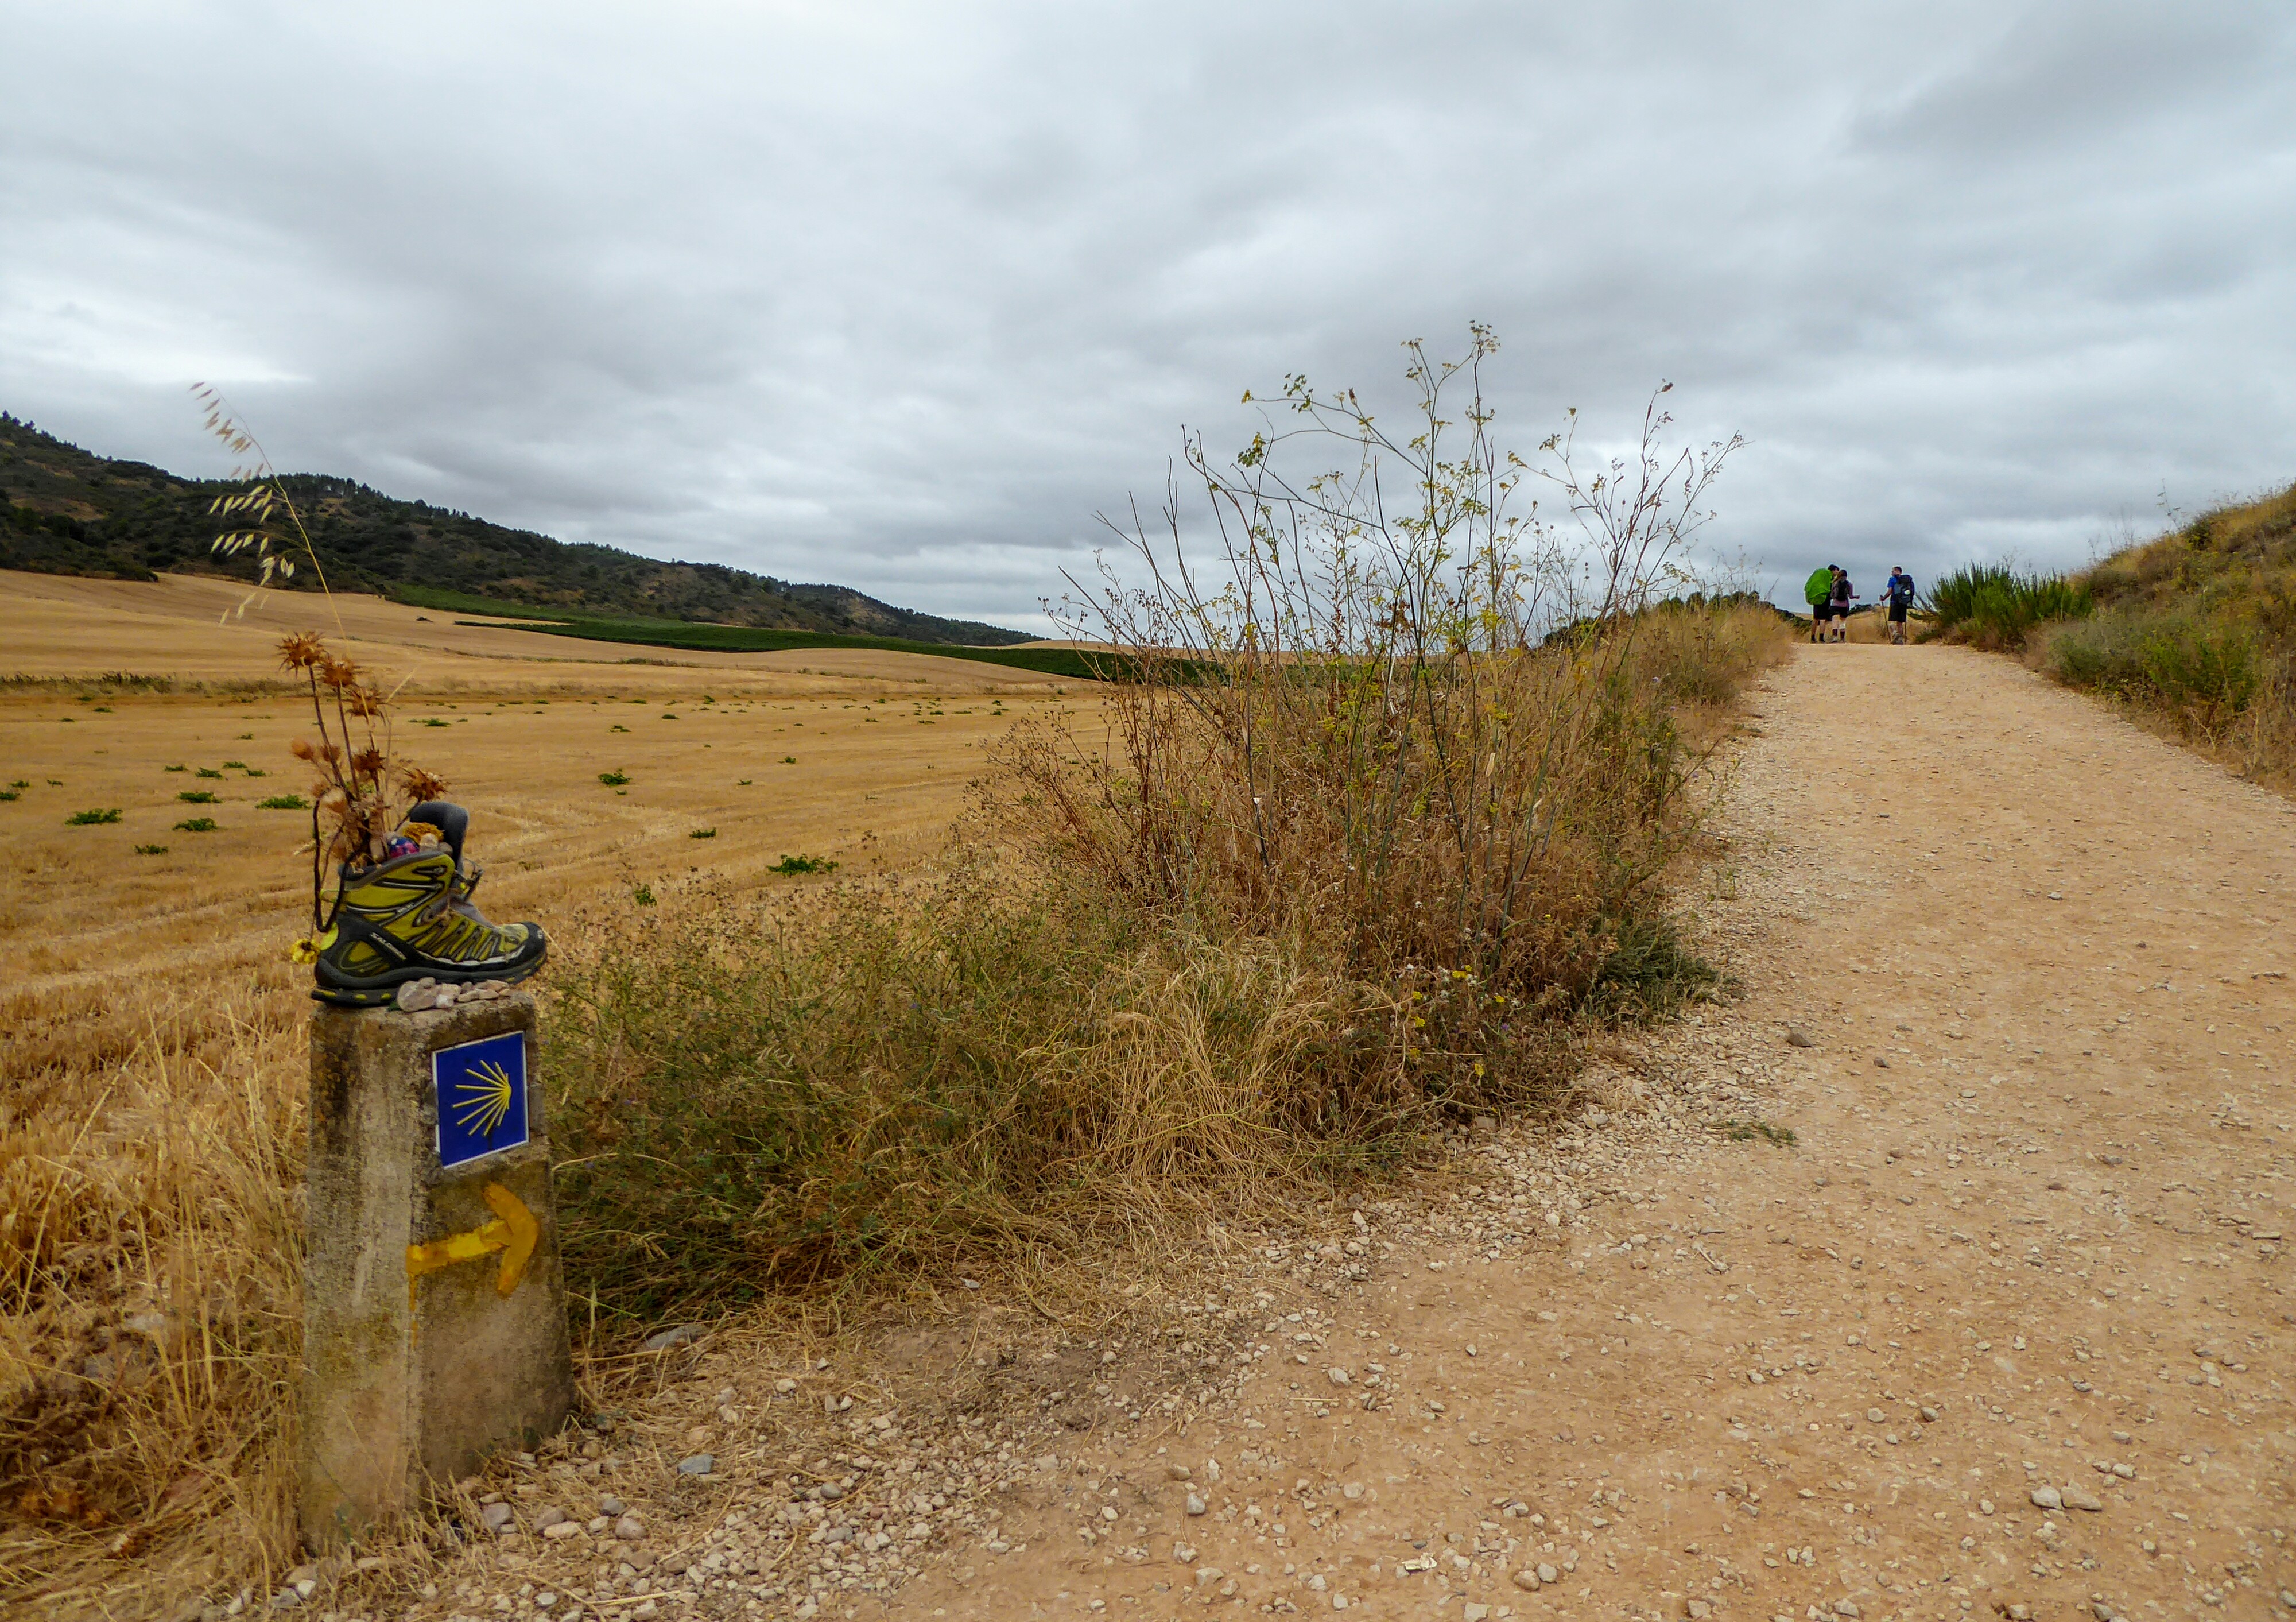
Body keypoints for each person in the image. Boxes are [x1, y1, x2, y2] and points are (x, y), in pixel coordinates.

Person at [1880, 566, 1917, 644]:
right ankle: (1901, 640)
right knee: (1900, 623)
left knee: (1891, 621)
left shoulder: (1892, 579)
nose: (1892, 573)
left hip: (1895, 601)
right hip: (1904, 603)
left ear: (1896, 571)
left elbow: (1890, 591)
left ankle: (1895, 634)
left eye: (1893, 571)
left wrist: (1884, 598)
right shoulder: (1908, 581)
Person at [1804, 565, 1837, 642]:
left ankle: (1812, 638)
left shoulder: (1820, 574)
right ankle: (1821, 638)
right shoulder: (1829, 576)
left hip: (1817, 597)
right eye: (1836, 571)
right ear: (1833, 570)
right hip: (1825, 598)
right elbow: (1831, 587)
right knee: (1823, 619)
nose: (1837, 573)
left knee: (1815, 618)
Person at [1828, 567, 1854, 642]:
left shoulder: (1834, 583)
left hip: (1835, 604)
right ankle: (1842, 639)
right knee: (1843, 622)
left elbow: (1832, 595)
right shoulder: (1849, 584)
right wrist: (1856, 597)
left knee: (1835, 621)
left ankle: (1834, 637)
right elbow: (1851, 596)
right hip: (1845, 605)